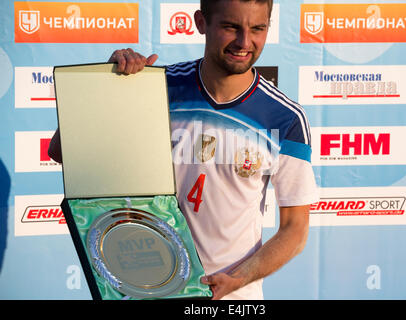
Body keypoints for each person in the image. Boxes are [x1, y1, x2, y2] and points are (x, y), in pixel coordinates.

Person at [48, 0, 319, 300]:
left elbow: (295, 230)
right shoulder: (156, 88)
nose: (244, 42)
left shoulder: (286, 117)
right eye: (231, 27)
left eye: (257, 28)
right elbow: (61, 151)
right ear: (201, 22)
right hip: (146, 286)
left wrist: (235, 279)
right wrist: (107, 85)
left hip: (233, 297)